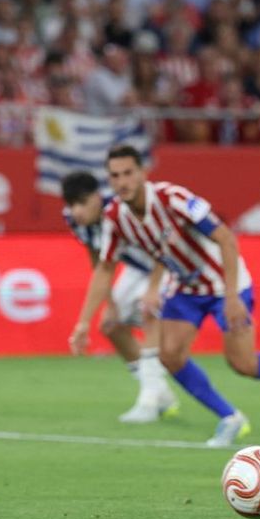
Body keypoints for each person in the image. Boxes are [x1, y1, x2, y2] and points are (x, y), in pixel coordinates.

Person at [68, 146, 260, 447]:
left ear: (142, 173)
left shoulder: (173, 198)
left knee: (242, 363)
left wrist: (232, 297)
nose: (122, 181)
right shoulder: (115, 215)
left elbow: (226, 238)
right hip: (185, 286)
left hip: (224, 284)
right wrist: (84, 323)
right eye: (115, 176)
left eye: (128, 173)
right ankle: (230, 418)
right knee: (170, 355)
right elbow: (104, 268)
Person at [61, 171, 178, 424]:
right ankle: (163, 395)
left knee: (150, 314)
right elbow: (99, 262)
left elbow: (164, 244)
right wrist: (110, 304)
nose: (76, 211)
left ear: (96, 196)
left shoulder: (119, 212)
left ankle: (149, 401)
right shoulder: (74, 220)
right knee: (110, 325)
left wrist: (154, 288)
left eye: (81, 202)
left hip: (167, 265)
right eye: (71, 204)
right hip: (137, 268)